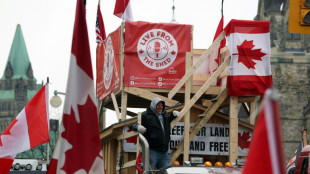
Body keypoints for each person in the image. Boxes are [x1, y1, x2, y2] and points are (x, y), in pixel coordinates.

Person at [133, 97, 180, 171]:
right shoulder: (145, 115)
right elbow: (134, 124)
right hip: (152, 152)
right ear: (153, 105)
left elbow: (167, 123)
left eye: (161, 105)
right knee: (148, 172)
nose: (160, 107)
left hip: (164, 153)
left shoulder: (164, 115)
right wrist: (137, 126)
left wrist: (173, 114)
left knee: (165, 172)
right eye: (158, 105)